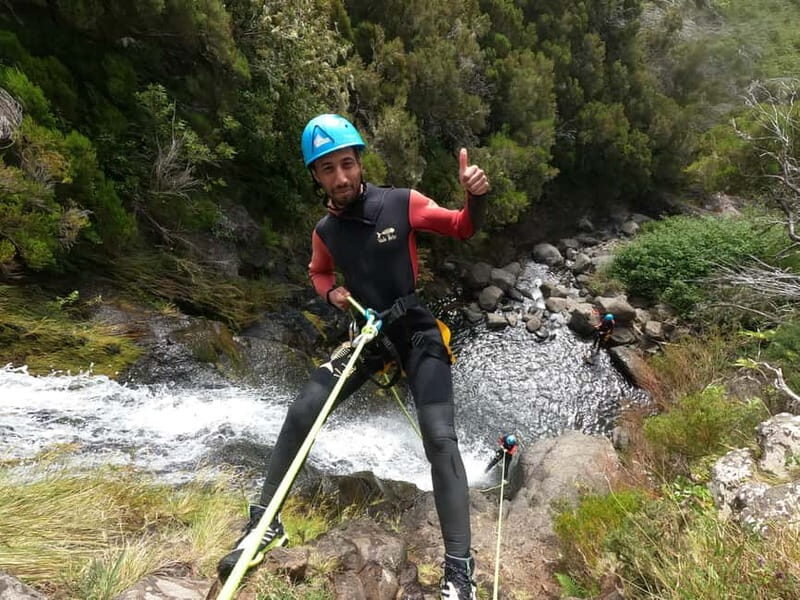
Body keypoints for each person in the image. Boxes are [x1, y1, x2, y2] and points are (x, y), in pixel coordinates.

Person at [216, 113, 490, 600]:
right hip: (368, 334)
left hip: (415, 332)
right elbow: (319, 272)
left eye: (346, 164)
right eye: (327, 169)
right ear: (315, 176)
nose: (340, 177)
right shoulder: (325, 230)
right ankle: (264, 524)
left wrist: (476, 196)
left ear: (360, 162)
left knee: (440, 438)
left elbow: (462, 228)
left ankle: (459, 571)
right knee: (302, 410)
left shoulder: (401, 204)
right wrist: (331, 297)